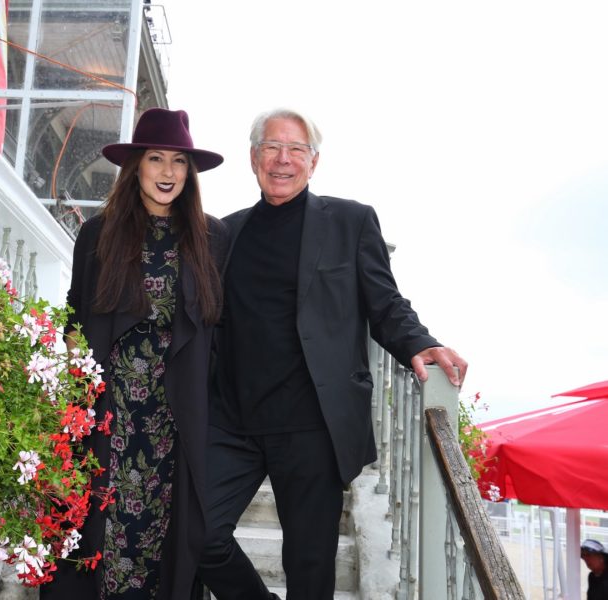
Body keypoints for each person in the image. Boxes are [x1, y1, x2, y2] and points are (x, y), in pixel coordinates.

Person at [197, 108, 468, 600]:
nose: (283, 160)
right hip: (233, 421)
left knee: (310, 566)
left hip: (311, 425)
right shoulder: (225, 233)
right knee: (199, 533)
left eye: (295, 149)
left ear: (313, 162)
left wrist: (419, 343)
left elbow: (383, 303)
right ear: (253, 158)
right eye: (271, 148)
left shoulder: (349, 221)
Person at [41, 108, 227, 600]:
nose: (168, 173)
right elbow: (75, 321)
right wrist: (70, 404)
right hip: (110, 409)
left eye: (179, 162)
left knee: (165, 536)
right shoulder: (98, 236)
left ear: (189, 173)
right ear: (135, 168)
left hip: (177, 415)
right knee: (99, 528)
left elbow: (224, 332)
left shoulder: (213, 240)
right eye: (156, 159)